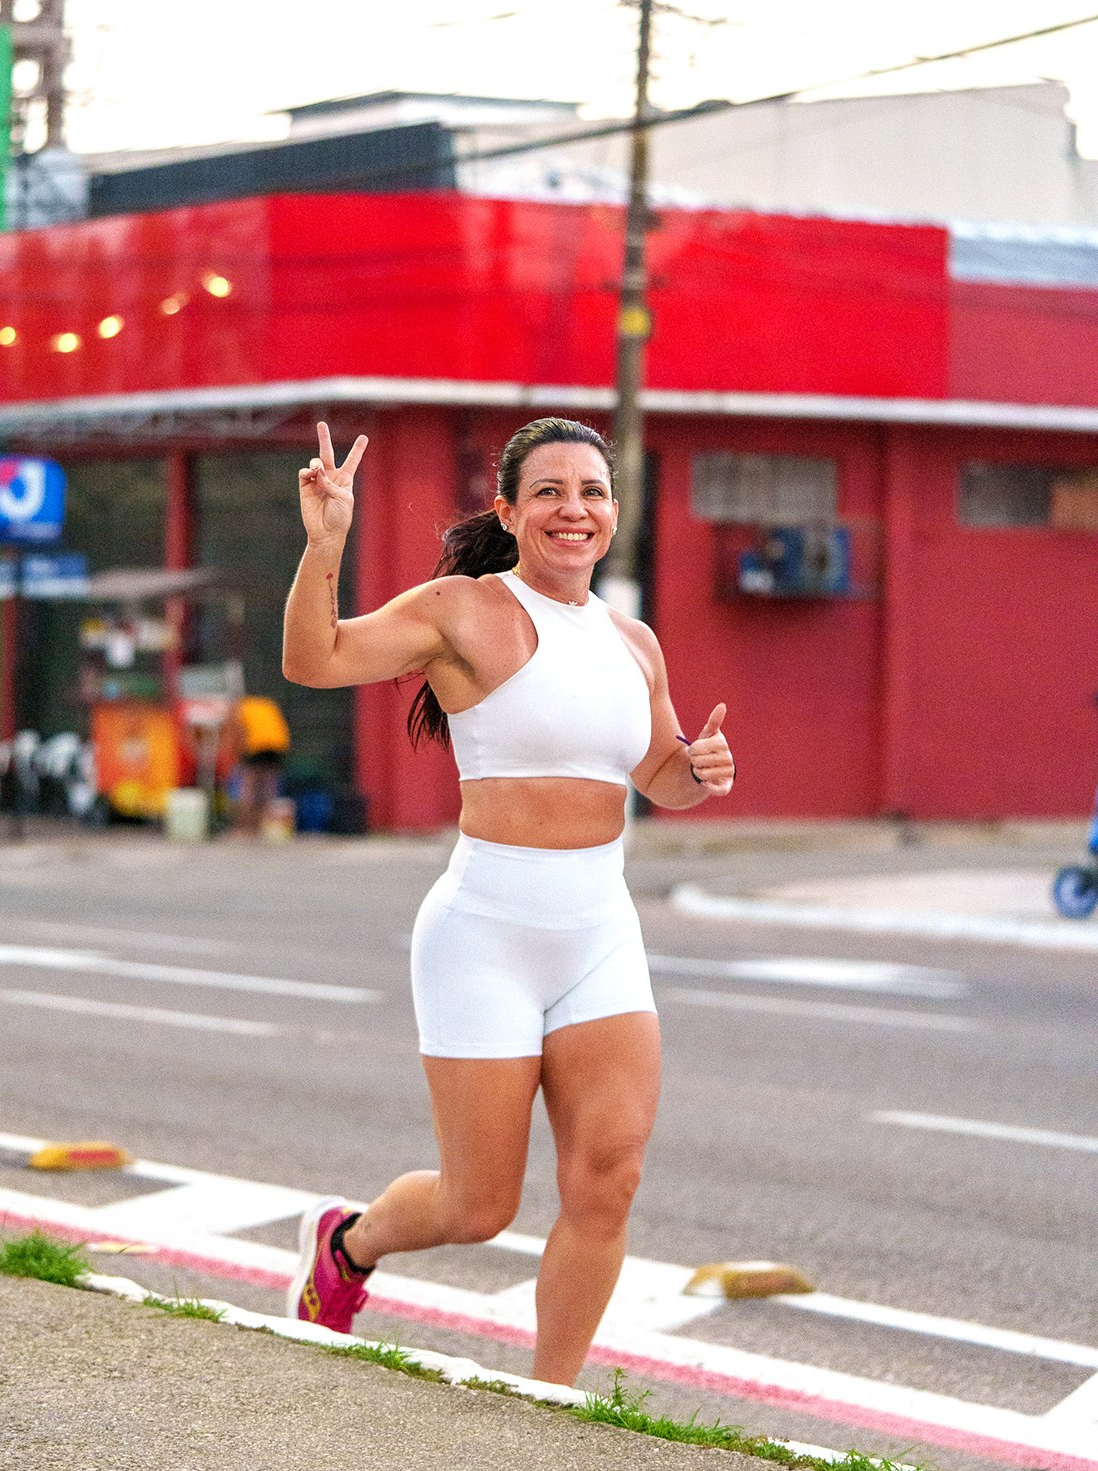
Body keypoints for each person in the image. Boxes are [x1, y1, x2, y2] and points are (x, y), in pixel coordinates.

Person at [280, 417, 735, 1387]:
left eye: (593, 492)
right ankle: (348, 1245)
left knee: (607, 1179)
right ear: (509, 511)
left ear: (614, 513)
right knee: (476, 1205)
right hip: (483, 933)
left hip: (599, 932)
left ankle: (549, 1401)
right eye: (550, 492)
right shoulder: (461, 611)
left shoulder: (634, 641)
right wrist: (326, 546)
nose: (575, 510)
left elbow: (658, 774)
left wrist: (698, 768)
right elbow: (316, 661)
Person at [227, 694, 291, 834]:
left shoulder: (238, 707)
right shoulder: (267, 703)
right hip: (278, 745)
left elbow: (238, 731)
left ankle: (245, 827)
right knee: (268, 787)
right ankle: (265, 826)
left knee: (248, 787)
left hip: (256, 745)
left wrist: (237, 752)